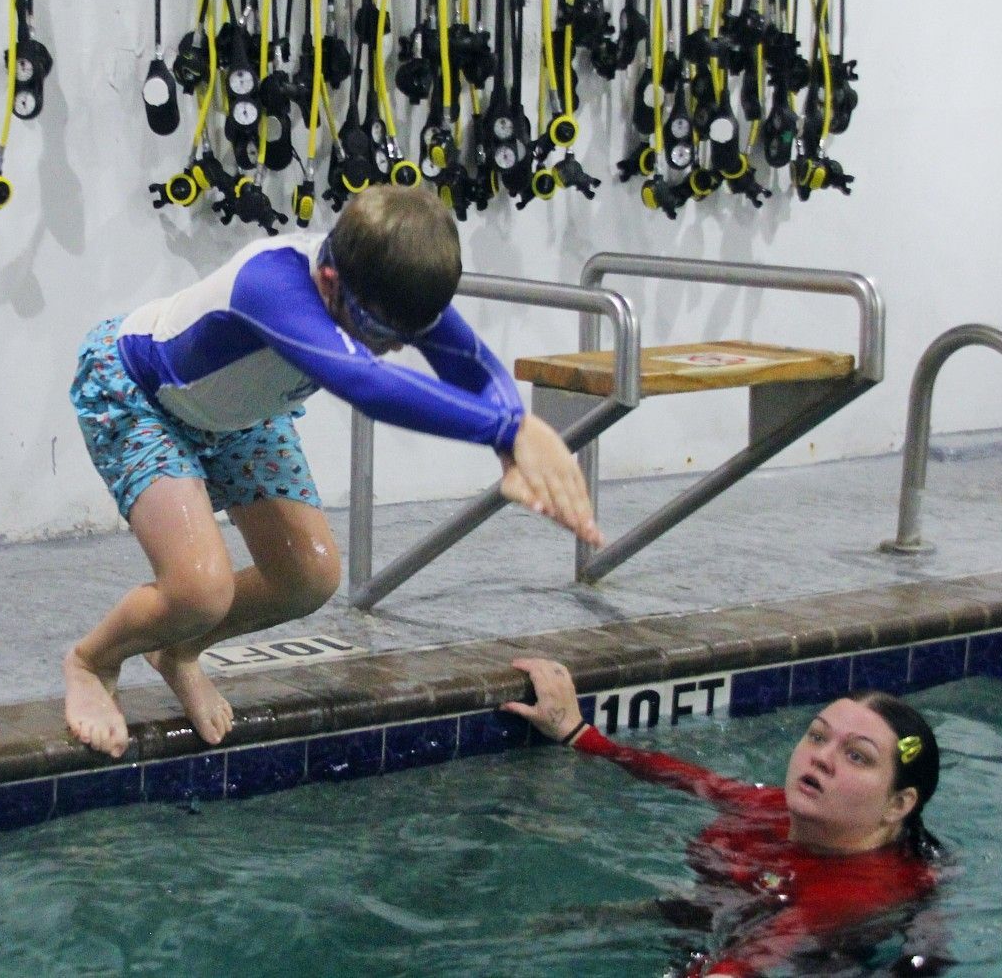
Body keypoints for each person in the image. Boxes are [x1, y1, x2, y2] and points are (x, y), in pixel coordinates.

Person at [64, 186, 602, 757]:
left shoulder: (379, 283)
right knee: (199, 589)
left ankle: (178, 651)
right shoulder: (272, 284)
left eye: (408, 334)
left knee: (307, 577)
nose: (391, 347)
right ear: (328, 279)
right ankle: (91, 662)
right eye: (374, 332)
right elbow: (366, 384)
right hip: (143, 395)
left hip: (240, 414)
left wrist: (516, 431)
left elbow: (468, 363)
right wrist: (507, 431)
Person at [503, 658, 952, 977]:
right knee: (547, 928)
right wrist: (576, 732)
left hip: (804, 958)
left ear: (899, 804)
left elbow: (754, 957)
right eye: (817, 736)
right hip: (718, 920)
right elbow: (687, 778)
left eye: (857, 756)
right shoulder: (769, 809)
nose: (822, 759)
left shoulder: (859, 890)